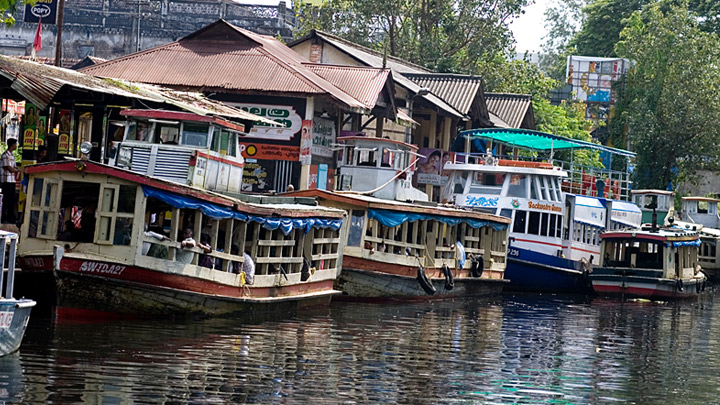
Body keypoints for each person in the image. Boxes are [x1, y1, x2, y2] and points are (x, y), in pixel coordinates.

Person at [0, 138, 20, 224]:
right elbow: (9, 168)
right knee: (6, 200)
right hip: (6, 180)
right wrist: (17, 170)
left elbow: (14, 167)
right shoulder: (5, 155)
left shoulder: (12, 156)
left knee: (11, 200)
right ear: (12, 145)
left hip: (12, 180)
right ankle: (4, 217)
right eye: (15, 144)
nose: (16, 146)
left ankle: (10, 216)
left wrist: (16, 170)